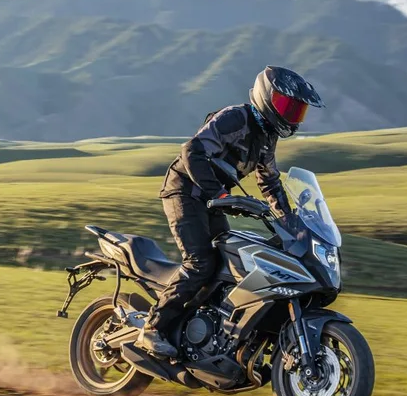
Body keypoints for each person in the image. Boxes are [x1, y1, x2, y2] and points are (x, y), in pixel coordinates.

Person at [138, 66, 324, 358]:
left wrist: (292, 223)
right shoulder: (235, 118)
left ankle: (200, 332)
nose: (291, 116)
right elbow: (192, 151)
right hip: (185, 190)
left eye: (297, 111)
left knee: (229, 264)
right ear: (266, 97)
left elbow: (270, 182)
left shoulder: (267, 138)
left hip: (212, 199)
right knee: (200, 262)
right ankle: (153, 327)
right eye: (287, 106)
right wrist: (219, 194)